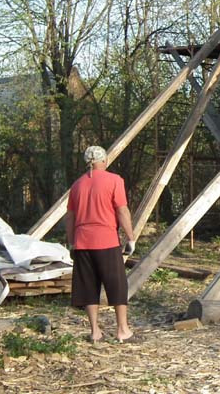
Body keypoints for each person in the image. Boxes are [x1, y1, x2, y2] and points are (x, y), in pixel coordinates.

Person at [66, 145, 135, 343]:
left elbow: (70, 217)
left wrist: (71, 242)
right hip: (106, 240)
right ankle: (122, 330)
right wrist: (130, 237)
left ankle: (95, 331)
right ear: (103, 160)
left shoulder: (77, 185)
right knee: (117, 285)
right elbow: (122, 211)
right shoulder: (114, 180)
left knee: (89, 286)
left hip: (82, 242)